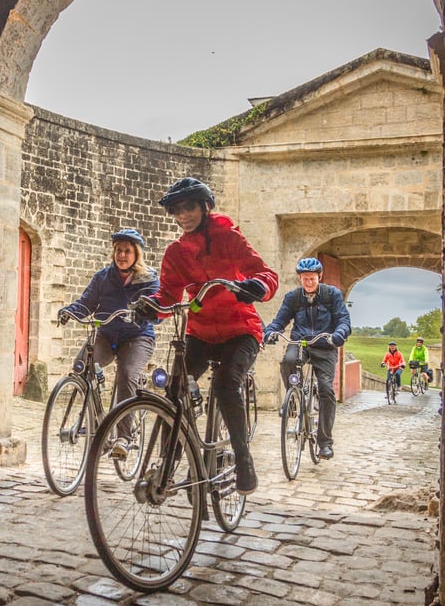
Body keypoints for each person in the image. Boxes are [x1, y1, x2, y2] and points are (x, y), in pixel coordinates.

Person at [132, 177, 277, 495]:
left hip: (241, 331)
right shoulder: (176, 252)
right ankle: (168, 465)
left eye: (190, 207)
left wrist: (257, 286)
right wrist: (150, 307)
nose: (184, 215)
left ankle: (243, 459)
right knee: (174, 389)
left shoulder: (228, 237)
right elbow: (168, 296)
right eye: (177, 210)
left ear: (205, 207)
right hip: (199, 332)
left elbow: (264, 272)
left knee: (226, 384)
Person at [58, 228, 159, 457]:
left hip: (137, 336)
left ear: (136, 255)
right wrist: (69, 312)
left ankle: (124, 437)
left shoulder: (148, 280)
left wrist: (146, 313)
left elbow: (157, 309)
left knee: (126, 373)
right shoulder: (103, 277)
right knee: (82, 366)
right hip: (106, 334)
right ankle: (97, 426)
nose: (122, 255)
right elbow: (86, 303)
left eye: (127, 251)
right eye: (118, 251)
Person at [263, 257, 351, 460]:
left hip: (325, 345)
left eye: (312, 278)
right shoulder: (293, 298)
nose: (308, 282)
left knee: (326, 390)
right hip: (300, 343)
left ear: (319, 277)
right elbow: (279, 321)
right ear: (300, 279)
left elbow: (343, 320)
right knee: (287, 362)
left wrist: (338, 334)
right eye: (304, 279)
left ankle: (325, 443)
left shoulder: (332, 295)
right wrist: (270, 332)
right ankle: (295, 399)